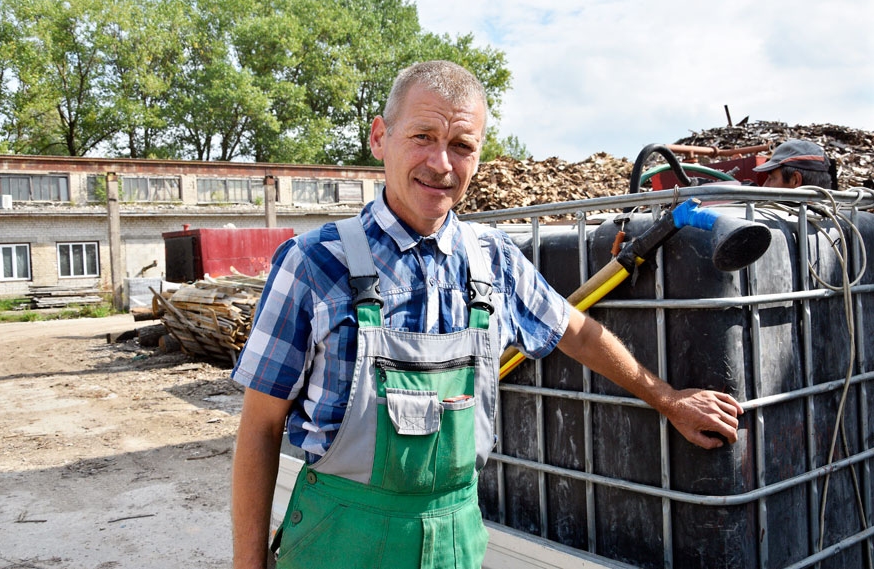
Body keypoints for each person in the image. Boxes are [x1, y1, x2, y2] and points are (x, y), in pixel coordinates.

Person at [230, 60, 744, 569]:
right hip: (339, 543)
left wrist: (668, 399)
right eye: (422, 137)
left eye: (461, 145)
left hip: (454, 543)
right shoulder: (314, 264)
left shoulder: (491, 260)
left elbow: (578, 333)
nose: (441, 164)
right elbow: (259, 427)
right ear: (380, 137)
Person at [754, 139, 837, 189]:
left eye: (771, 178)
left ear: (795, 180)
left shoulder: (760, 217)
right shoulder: (843, 215)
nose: (764, 186)